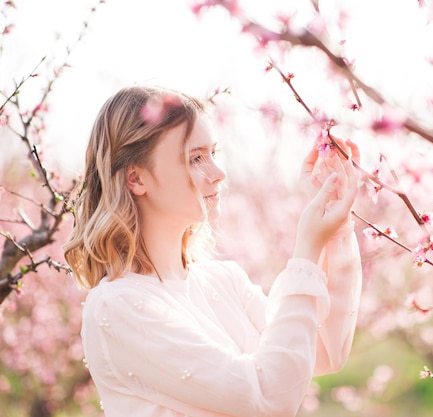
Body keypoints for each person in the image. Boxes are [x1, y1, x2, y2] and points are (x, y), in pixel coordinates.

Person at [63, 85, 362, 417]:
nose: (218, 175)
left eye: (213, 154)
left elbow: (321, 352)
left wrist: (334, 225)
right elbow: (268, 399)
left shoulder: (224, 279)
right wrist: (306, 252)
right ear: (136, 178)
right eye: (195, 158)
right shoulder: (117, 306)